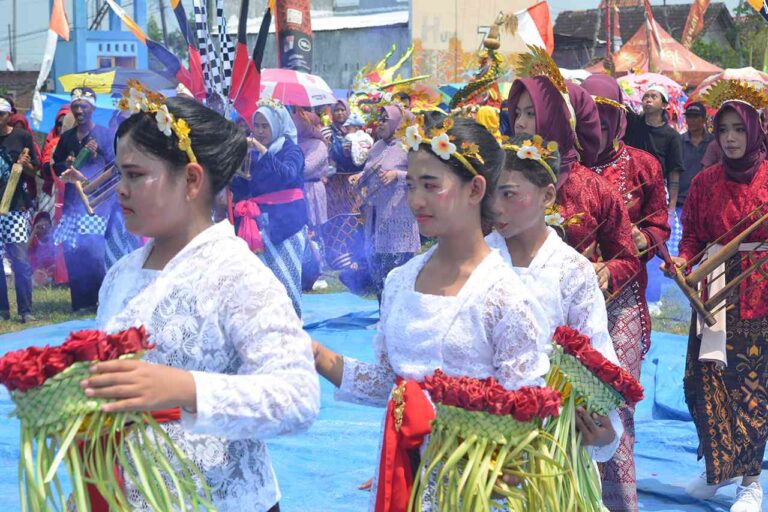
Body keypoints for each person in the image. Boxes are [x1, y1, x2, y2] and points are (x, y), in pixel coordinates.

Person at [81, 90, 319, 512]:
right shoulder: (120, 274)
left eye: (135, 175)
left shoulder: (238, 275)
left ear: (191, 180)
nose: (120, 191)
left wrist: (184, 388)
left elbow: (298, 397)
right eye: (119, 175)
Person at [313, 116, 551, 511]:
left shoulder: (504, 296)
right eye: (410, 185)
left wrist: (504, 466)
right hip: (403, 477)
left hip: (471, 487)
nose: (415, 201)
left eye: (430, 186)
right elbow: (393, 385)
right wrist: (317, 355)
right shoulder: (401, 282)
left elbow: (526, 408)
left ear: (476, 189)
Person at [508, 76, 642, 511]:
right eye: (519, 114)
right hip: (520, 328)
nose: (524, 124)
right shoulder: (502, 184)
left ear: (559, 120)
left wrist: (605, 271)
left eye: (533, 114)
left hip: (586, 326)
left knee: (597, 429)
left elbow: (627, 257)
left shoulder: (594, 188)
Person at [662, 83, 768, 512]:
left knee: (752, 389)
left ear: (754, 131)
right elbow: (692, 239)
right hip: (713, 294)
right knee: (706, 383)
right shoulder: (705, 181)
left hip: (760, 294)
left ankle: (750, 481)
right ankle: (717, 470)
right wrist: (684, 264)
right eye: (722, 129)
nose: (729, 138)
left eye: (738, 130)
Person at [486, 134, 622, 463]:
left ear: (548, 196)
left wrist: (600, 425)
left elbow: (594, 353)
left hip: (556, 439)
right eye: (491, 194)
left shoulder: (571, 270)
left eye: (509, 194)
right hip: (483, 429)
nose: (496, 207)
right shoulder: (476, 261)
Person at [231, 100, 308, 317]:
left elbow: (288, 175)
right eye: (257, 125)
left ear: (277, 125)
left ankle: (292, 330)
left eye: (265, 126)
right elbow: (243, 188)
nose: (260, 131)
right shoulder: (251, 154)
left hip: (288, 227)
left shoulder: (292, 150)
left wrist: (265, 152)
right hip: (258, 227)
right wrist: (234, 166)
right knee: (260, 286)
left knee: (286, 284)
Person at [52, 87, 114, 313]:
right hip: (72, 204)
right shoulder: (67, 137)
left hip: (96, 204)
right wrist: (67, 165)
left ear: (93, 108)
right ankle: (79, 302)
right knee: (72, 251)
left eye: (83, 106)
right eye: (75, 106)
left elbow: (114, 166)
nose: (79, 111)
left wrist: (96, 157)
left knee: (94, 253)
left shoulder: (105, 135)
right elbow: (56, 163)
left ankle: (99, 301)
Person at [352, 105, 420, 302]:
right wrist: (359, 177)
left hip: (399, 218)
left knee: (397, 273)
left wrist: (396, 175)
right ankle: (383, 317)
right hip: (375, 217)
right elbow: (369, 171)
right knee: (378, 270)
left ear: (397, 123)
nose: (380, 123)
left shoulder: (408, 146)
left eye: (384, 119)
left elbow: (421, 176)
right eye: (379, 119)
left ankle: (398, 319)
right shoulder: (378, 146)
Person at [0, 95, 38, 322]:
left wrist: (26, 166)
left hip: (15, 207)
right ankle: (2, 310)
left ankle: (26, 310)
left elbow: (36, 172)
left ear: (9, 115)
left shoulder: (21, 136)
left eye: (1, 114)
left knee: (20, 261)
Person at [624, 84, 684, 211]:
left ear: (664, 105)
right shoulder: (633, 124)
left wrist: (672, 208)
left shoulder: (672, 136)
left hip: (655, 192)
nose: (648, 99)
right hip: (629, 189)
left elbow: (674, 173)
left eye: (653, 96)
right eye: (646, 96)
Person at [675, 102, 715, 255]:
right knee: (681, 243)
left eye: (695, 117)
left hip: (705, 201)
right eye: (689, 117)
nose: (691, 120)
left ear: (704, 119)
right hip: (680, 201)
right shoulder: (678, 140)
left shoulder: (713, 142)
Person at [327, 99, 364, 217]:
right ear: (332, 113)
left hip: (356, 180)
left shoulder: (358, 130)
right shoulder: (327, 131)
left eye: (342, 110)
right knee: (339, 215)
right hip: (337, 180)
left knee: (357, 214)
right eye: (336, 110)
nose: (340, 113)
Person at [293, 110, 329, 228]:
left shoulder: (318, 145)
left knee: (314, 227)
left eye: (299, 122)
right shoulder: (293, 143)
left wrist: (288, 166)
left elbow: (307, 168)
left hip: (311, 189)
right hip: (296, 189)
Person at [28, 212, 56, 287]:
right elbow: (24, 251)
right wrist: (34, 232)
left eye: (47, 225)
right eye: (41, 226)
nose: (44, 228)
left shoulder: (53, 239)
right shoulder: (34, 240)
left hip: (51, 270)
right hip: (36, 271)